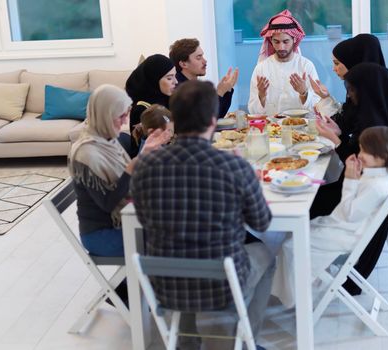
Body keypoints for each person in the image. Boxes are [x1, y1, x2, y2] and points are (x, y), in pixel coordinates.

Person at [131, 80, 275, 350]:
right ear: (213, 120)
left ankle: (187, 342)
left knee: (180, 249)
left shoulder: (146, 165)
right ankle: (246, 341)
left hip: (165, 284)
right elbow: (262, 223)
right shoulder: (233, 166)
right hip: (221, 284)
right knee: (266, 254)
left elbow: (143, 217)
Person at [274, 126, 388, 307]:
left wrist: (351, 179)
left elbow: (349, 213)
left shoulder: (376, 186)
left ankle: (296, 297)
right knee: (292, 239)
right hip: (343, 228)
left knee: (291, 244)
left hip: (345, 235)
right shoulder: (382, 177)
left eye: (365, 151)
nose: (360, 154)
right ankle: (296, 290)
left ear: (382, 155)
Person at [68, 85, 171, 303]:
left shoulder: (107, 141)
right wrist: (130, 170)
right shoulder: (86, 152)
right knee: (170, 238)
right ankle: (132, 294)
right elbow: (107, 202)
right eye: (121, 116)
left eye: (126, 114)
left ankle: (134, 291)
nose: (125, 121)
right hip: (101, 234)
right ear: (105, 115)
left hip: (122, 223)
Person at [312, 62, 388, 295]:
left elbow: (357, 164)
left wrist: (335, 140)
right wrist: (340, 134)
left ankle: (298, 264)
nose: (350, 96)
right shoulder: (377, 115)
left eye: (352, 91)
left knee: (301, 203)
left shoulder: (375, 126)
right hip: (353, 192)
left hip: (353, 200)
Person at [248, 9, 320, 115]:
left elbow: (318, 108)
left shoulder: (306, 66)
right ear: (271, 41)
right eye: (276, 42)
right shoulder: (261, 68)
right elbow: (253, 111)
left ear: (294, 39)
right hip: (271, 129)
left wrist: (304, 93)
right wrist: (261, 96)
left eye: (286, 41)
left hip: (301, 129)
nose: (281, 47)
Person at [311, 33, 386, 119]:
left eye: (337, 63)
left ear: (352, 62)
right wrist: (325, 97)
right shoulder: (358, 87)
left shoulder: (367, 95)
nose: (334, 69)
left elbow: (342, 127)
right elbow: (345, 117)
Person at [169, 38, 238, 118]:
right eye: (198, 57)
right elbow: (206, 120)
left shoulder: (196, 86)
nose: (205, 61)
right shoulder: (179, 89)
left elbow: (219, 115)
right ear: (184, 64)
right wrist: (220, 92)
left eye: (202, 56)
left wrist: (227, 89)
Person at [125, 54, 177, 157]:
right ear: (154, 79)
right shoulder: (142, 109)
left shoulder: (166, 99)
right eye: (169, 78)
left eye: (175, 76)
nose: (176, 82)